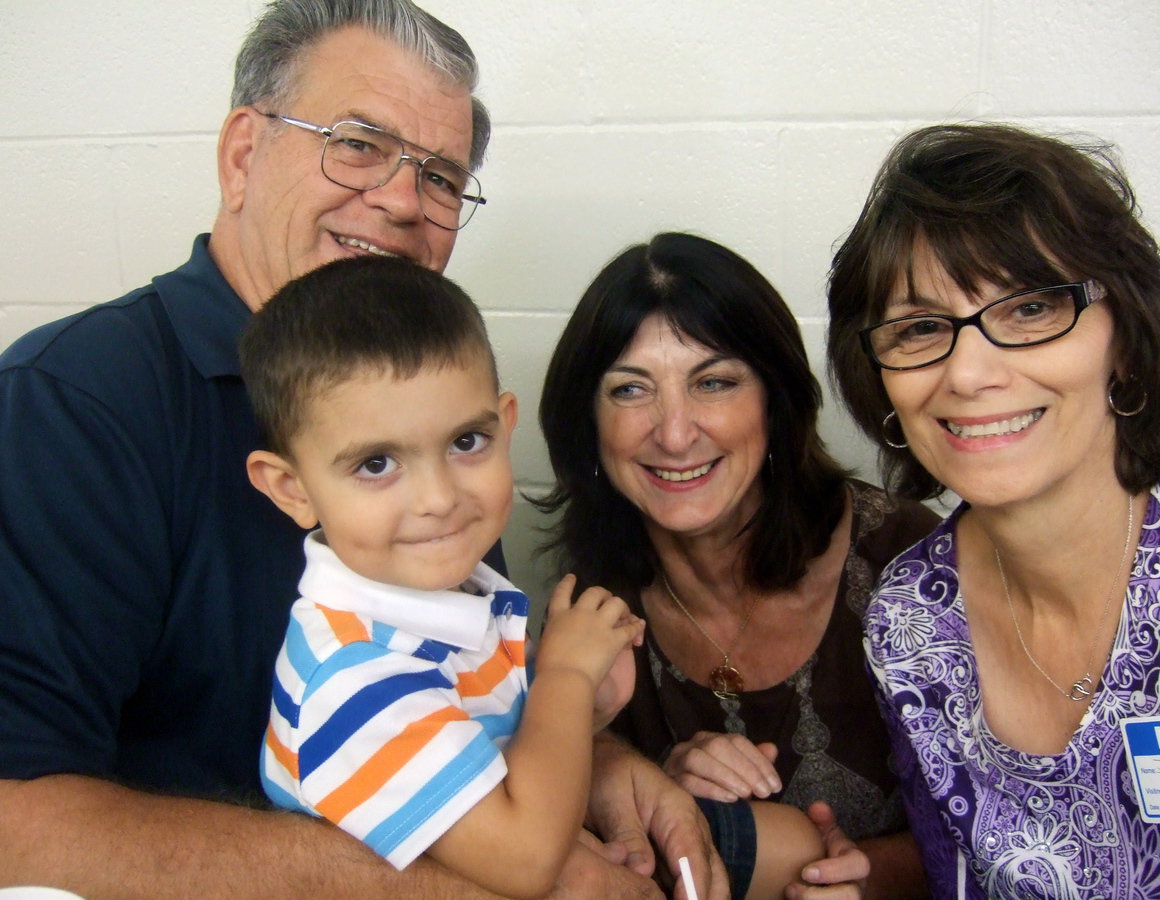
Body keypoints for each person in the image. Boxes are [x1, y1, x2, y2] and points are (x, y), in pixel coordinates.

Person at [0, 2, 723, 896]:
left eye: (441, 178)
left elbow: (451, 699)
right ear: (242, 156)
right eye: (356, 144)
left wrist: (600, 763)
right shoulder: (70, 404)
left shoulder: (425, 400)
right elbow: (15, 825)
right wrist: (456, 885)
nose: (402, 201)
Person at [825, 122, 1160, 898]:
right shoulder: (908, 622)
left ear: (1126, 337)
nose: (968, 373)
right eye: (921, 328)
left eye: (1029, 309)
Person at [536, 232, 940, 899]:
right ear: (588, 423)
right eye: (630, 390)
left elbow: (1015, 827)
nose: (674, 433)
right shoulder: (590, 603)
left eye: (715, 383)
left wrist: (866, 880)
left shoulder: (909, 559)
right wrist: (651, 782)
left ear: (775, 403)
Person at [241, 255, 649, 898]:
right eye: (376, 464)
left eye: (465, 442)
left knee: (788, 845)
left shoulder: (450, 592)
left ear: (504, 427)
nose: (438, 498)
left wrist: (588, 704)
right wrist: (567, 676)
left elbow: (504, 758)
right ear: (292, 488)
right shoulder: (354, 676)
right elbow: (527, 861)